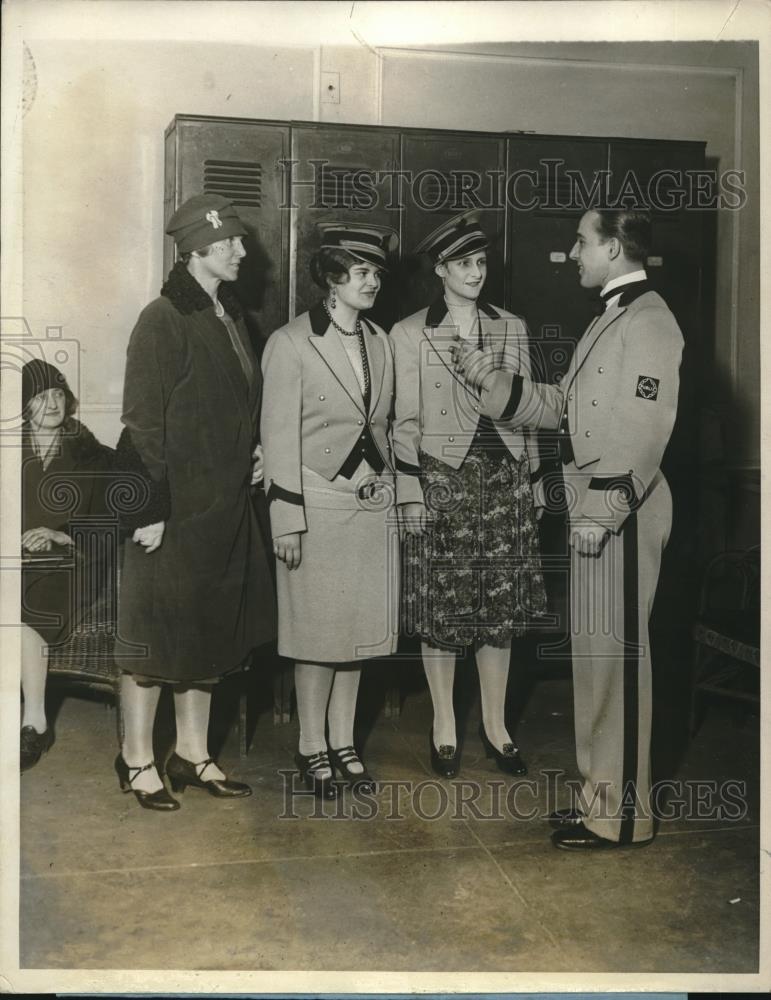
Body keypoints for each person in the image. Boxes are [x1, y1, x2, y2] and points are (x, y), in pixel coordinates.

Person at [454, 208, 682, 849]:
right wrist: (493, 380)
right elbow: (564, 405)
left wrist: (604, 511)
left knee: (617, 665)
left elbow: (644, 425)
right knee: (595, 660)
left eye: (582, 242)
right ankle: (599, 801)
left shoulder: (649, 320)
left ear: (612, 247)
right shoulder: (611, 317)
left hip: (621, 510)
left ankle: (623, 819)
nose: (573, 252)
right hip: (595, 507)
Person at [114, 194, 276, 811]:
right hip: (173, 511)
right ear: (195, 250)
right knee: (155, 640)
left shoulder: (230, 314)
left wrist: (255, 448)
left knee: (207, 636)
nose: (242, 251)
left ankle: (191, 752)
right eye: (229, 242)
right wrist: (149, 508)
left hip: (223, 507)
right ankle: (136, 759)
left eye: (239, 240)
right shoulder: (162, 317)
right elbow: (141, 422)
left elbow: (238, 402)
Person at [390, 210, 547, 780]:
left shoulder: (511, 326)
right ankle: (444, 725)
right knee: (444, 609)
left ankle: (497, 727)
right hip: (443, 483)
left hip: (504, 482)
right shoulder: (409, 332)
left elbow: (526, 411)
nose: (476, 272)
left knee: (499, 610)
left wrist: (533, 479)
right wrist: (411, 491)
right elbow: (404, 423)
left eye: (481, 262)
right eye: (463, 264)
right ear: (440, 270)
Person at [261, 221, 399, 798]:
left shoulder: (380, 340)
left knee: (359, 632)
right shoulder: (291, 341)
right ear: (333, 278)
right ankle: (311, 744)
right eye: (362, 272)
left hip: (371, 502)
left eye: (377, 273)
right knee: (317, 633)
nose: (373, 283)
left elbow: (386, 427)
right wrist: (287, 520)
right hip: (315, 502)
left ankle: (344, 741)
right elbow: (277, 437)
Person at [20, 359, 114, 771]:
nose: (53, 403)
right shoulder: (10, 450)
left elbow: (109, 517)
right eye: (41, 397)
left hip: (72, 561)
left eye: (58, 394)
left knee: (27, 608)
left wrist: (60, 535)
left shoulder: (88, 452)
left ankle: (35, 722)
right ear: (24, 406)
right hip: (14, 558)